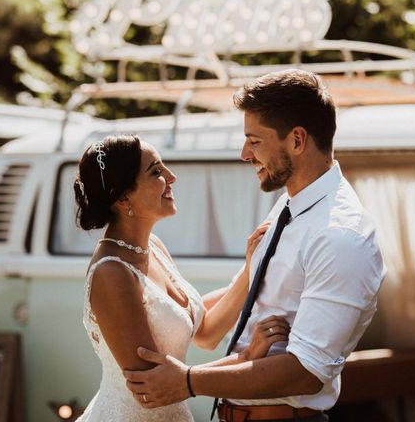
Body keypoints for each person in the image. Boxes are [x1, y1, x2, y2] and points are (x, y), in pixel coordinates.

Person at [124, 69, 387, 422]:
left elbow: (305, 372)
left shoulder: (341, 236)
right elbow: (230, 318)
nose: (244, 153)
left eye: (254, 140)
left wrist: (188, 381)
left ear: (296, 140)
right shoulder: (288, 206)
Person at [74, 134, 288, 422]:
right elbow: (154, 387)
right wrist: (247, 357)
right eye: (156, 172)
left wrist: (253, 269)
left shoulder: (155, 248)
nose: (171, 177)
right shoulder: (112, 274)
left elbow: (206, 332)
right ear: (124, 196)